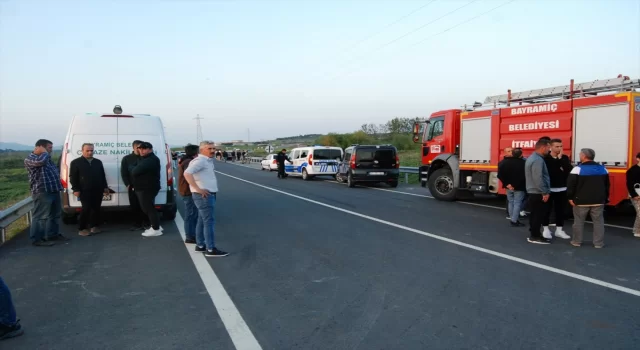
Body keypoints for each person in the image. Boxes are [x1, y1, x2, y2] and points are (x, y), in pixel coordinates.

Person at [184, 141, 228, 257]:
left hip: (207, 194)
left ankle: (200, 245)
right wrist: (198, 189)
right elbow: (187, 173)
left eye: (214, 148)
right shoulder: (201, 161)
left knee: (202, 220)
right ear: (202, 149)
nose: (213, 151)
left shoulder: (207, 161)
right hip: (204, 195)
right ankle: (210, 248)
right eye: (209, 148)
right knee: (209, 221)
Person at [24, 139, 69, 246]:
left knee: (54, 214)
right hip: (42, 192)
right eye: (49, 148)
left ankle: (52, 234)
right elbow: (41, 162)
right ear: (40, 147)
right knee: (41, 216)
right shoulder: (30, 159)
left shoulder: (47, 158)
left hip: (53, 190)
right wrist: (44, 152)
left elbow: (54, 170)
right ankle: (37, 239)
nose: (50, 150)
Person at [567, 148, 609, 248]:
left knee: (579, 222)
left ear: (584, 156)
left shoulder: (577, 169)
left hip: (581, 201)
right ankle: (598, 243)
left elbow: (571, 185)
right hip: (598, 201)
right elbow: (607, 185)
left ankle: (577, 241)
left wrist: (570, 197)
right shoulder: (603, 168)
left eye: (580, 154)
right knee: (598, 223)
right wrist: (605, 198)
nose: (579, 156)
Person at [69, 143, 110, 236]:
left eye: (91, 150)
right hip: (84, 190)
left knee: (96, 208)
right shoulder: (76, 162)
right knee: (86, 208)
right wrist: (76, 189)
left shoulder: (97, 162)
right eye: (87, 150)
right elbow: (73, 177)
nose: (90, 152)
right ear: (82, 150)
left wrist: (105, 187)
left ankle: (94, 226)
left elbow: (102, 176)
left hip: (98, 189)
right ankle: (82, 228)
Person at [541, 138, 572, 239]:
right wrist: (558, 162)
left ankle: (559, 230)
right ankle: (545, 229)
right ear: (550, 147)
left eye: (561, 146)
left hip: (562, 188)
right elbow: (551, 171)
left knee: (560, 210)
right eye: (557, 146)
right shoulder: (545, 158)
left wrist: (560, 160)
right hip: (549, 188)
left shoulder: (564, 158)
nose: (559, 148)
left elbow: (568, 170)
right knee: (546, 210)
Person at [131, 142, 162, 237]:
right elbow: (134, 168)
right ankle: (156, 226)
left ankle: (156, 229)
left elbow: (134, 171)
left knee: (148, 208)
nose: (141, 151)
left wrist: (133, 168)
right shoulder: (145, 159)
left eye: (144, 149)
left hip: (147, 188)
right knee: (148, 207)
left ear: (150, 149)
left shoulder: (150, 160)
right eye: (139, 149)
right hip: (144, 187)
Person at [524, 139, 552, 244]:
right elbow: (538, 178)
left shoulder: (533, 158)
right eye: (548, 148)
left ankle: (534, 234)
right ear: (543, 147)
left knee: (534, 215)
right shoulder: (538, 160)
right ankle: (535, 236)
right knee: (538, 215)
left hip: (534, 191)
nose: (549, 150)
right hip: (537, 192)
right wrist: (544, 192)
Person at [121, 140, 148, 231]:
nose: (141, 150)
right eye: (139, 148)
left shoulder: (146, 158)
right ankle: (137, 224)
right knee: (135, 205)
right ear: (134, 148)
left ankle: (147, 223)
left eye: (142, 148)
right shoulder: (127, 158)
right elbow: (124, 172)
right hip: (133, 186)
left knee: (146, 205)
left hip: (144, 186)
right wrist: (127, 184)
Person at [498, 148, 526, 227]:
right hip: (519, 187)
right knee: (517, 203)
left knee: (511, 202)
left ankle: (512, 218)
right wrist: (515, 185)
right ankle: (514, 220)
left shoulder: (503, 162)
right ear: (521, 155)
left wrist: (508, 184)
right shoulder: (524, 163)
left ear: (512, 154)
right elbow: (524, 176)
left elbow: (499, 175)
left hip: (508, 187)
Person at [178, 144, 200, 244]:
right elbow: (190, 176)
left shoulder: (185, 160)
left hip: (186, 190)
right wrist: (198, 188)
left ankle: (192, 235)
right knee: (191, 214)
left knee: (192, 214)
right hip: (188, 191)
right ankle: (190, 236)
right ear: (195, 152)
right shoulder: (188, 162)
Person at [625, 152, 640, 238]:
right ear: (638, 159)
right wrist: (634, 195)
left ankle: (636, 229)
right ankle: (637, 230)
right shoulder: (632, 170)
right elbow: (629, 184)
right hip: (636, 194)